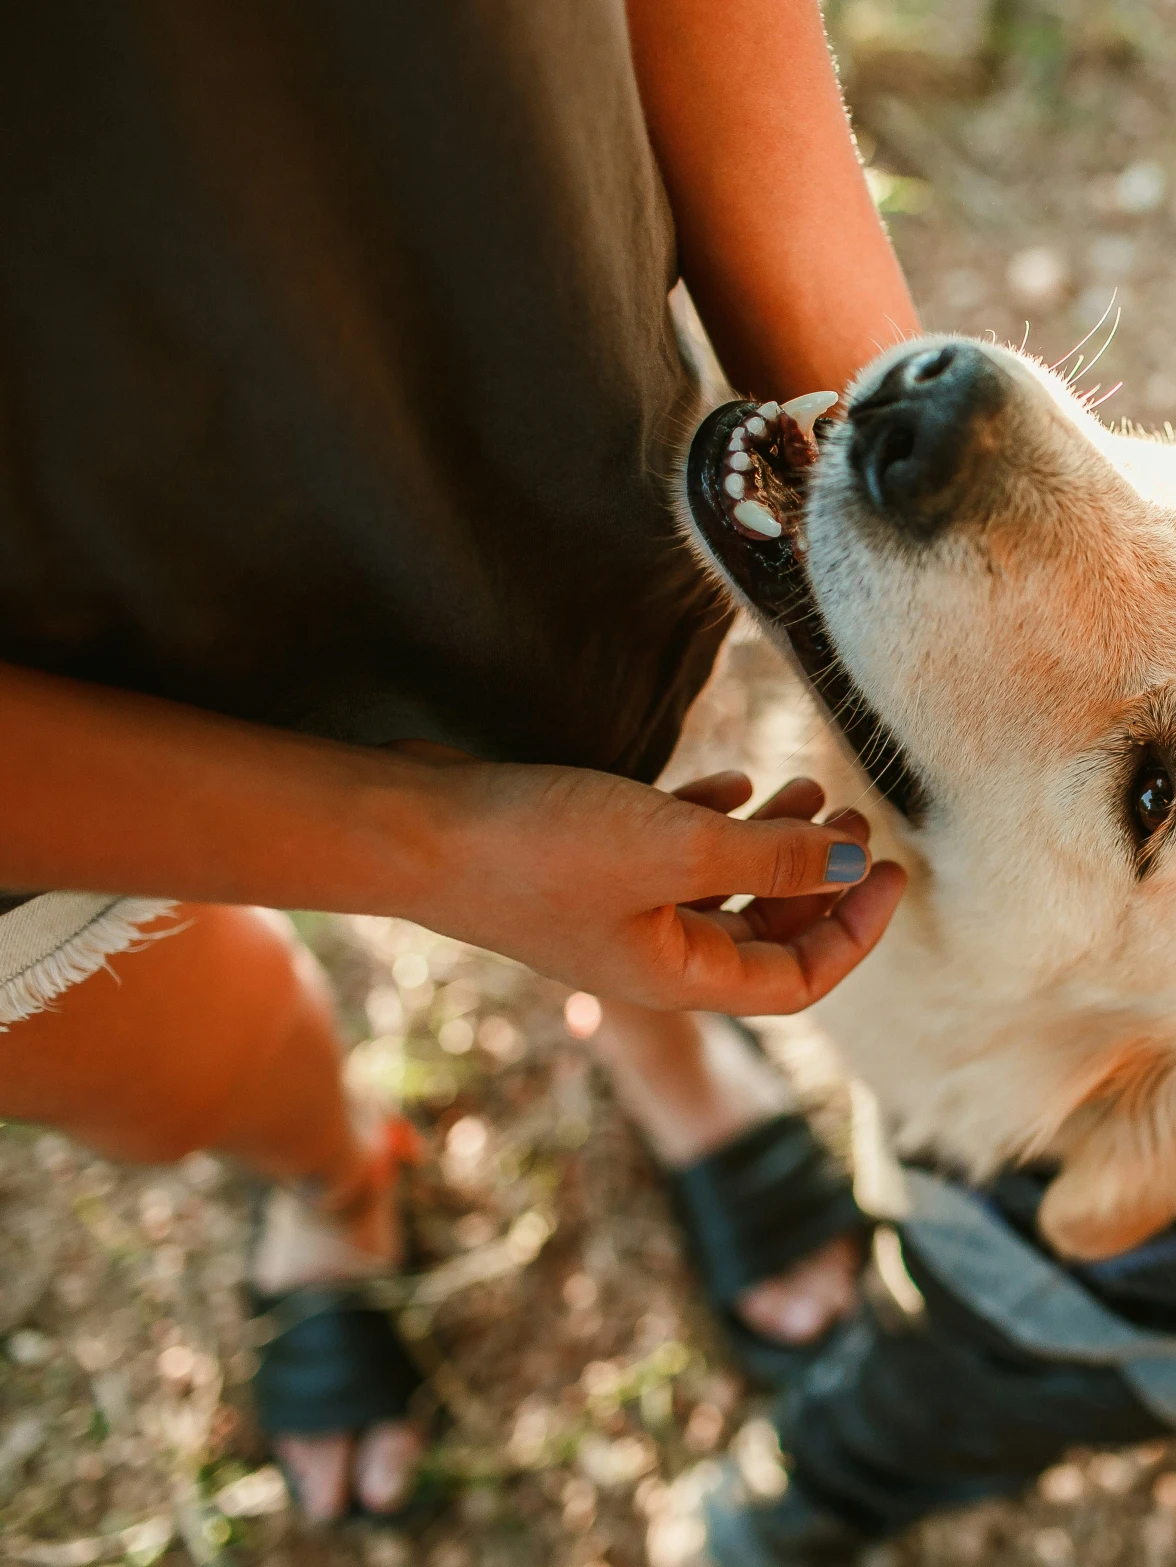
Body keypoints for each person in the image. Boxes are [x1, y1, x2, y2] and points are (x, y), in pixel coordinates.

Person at [0, 0, 914, 1524]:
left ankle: (655, 1027)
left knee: (601, 727)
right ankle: (327, 1167)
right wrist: (425, 845)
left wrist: (892, 476)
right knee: (154, 1079)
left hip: (415, 270)